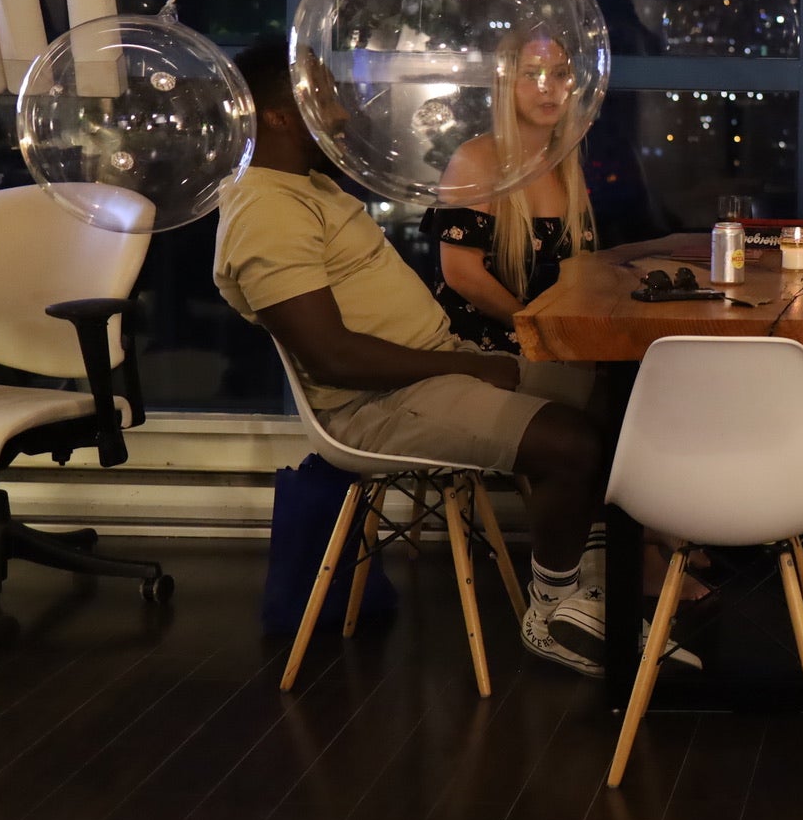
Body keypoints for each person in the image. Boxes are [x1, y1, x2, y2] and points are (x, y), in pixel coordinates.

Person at [213, 36, 611, 677]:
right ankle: (555, 610)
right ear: (281, 116)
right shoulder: (266, 210)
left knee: (613, 395)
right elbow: (333, 360)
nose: (342, 111)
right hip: (375, 403)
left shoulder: (307, 189)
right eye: (323, 97)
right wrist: (470, 365)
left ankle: (600, 574)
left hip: (430, 367)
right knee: (571, 443)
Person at [428, 33, 598, 354]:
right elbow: (461, 274)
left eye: (559, 74)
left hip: (557, 345)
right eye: (532, 75)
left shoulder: (565, 164)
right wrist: (540, 333)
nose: (548, 87)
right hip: (485, 352)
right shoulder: (473, 159)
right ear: (505, 84)